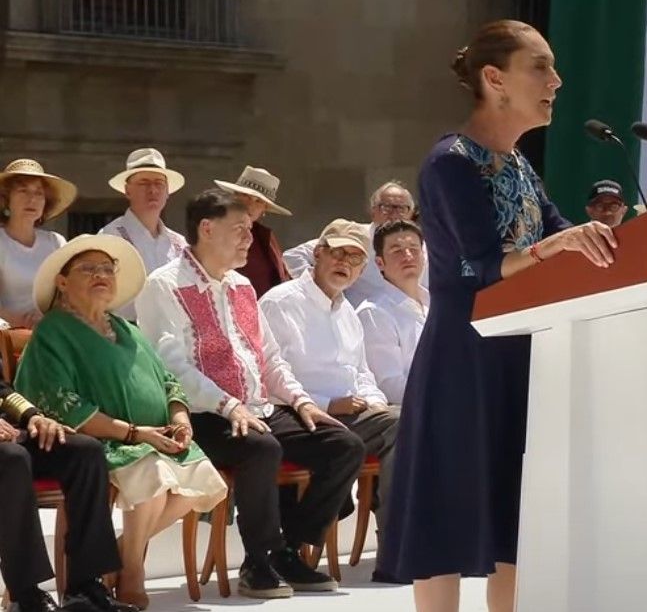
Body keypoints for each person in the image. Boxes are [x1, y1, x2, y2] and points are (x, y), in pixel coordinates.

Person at [378, 20, 617, 612]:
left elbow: (565, 234)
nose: (557, 82)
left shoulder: (519, 168)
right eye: (541, 67)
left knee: (517, 514)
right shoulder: (450, 163)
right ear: (494, 79)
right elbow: (477, 266)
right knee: (447, 511)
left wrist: (625, 244)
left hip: (525, 355)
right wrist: (555, 248)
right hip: (466, 358)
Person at [134, 189, 364, 599]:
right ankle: (259, 560)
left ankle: (288, 549)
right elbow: (172, 368)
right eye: (240, 230)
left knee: (342, 445)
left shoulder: (242, 286)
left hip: (256, 407)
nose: (248, 239)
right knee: (261, 448)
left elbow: (269, 357)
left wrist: (300, 401)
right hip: (202, 415)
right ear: (206, 229)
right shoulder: (163, 285)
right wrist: (229, 405)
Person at [14, 235, 228, 609]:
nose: (102, 276)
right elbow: (60, 402)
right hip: (106, 442)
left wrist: (179, 417)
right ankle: (132, 572)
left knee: (204, 482)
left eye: (107, 269)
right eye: (88, 269)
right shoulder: (54, 330)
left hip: (155, 436)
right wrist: (131, 432)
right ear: (62, 282)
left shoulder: (128, 329)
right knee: (156, 476)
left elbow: (167, 381)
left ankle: (113, 557)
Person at [260, 218, 399, 572]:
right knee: (392, 430)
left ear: (363, 269)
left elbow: (363, 373)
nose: (344, 264)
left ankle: (397, 542)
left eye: (355, 259)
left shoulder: (347, 313)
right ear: (317, 254)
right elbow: (269, 373)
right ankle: (296, 546)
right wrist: (325, 404)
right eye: (337, 253)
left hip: (350, 417)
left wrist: (375, 404)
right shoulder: (280, 302)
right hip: (293, 414)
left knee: (405, 424)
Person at [0, 381, 136, 612]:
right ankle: (25, 595)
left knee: (86, 452)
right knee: (13, 459)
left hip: (8, 432)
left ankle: (84, 589)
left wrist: (34, 416)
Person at [282, 180, 429, 307]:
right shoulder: (355, 235)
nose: (394, 214)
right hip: (361, 320)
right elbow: (293, 256)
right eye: (386, 207)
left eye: (401, 208)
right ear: (373, 211)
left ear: (411, 214)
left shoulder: (420, 248)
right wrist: (323, 291)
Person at [99, 148, 186, 321]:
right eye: (143, 183)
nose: (153, 190)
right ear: (127, 190)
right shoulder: (110, 236)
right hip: (126, 333)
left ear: (168, 191)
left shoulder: (179, 243)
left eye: (159, 183)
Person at [356, 220, 429, 405]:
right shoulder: (374, 313)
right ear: (380, 263)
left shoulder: (436, 305)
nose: (408, 255)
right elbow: (389, 385)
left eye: (414, 248)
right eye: (397, 250)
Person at [0, 159, 76, 329]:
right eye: (23, 191)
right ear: (6, 200)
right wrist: (22, 322)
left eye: (39, 193)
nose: (32, 199)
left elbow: (70, 293)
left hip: (53, 332)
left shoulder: (56, 242)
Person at [215, 166, 292, 297]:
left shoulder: (265, 237)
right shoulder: (215, 230)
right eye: (246, 196)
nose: (250, 204)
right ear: (234, 196)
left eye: (258, 201)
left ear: (264, 209)